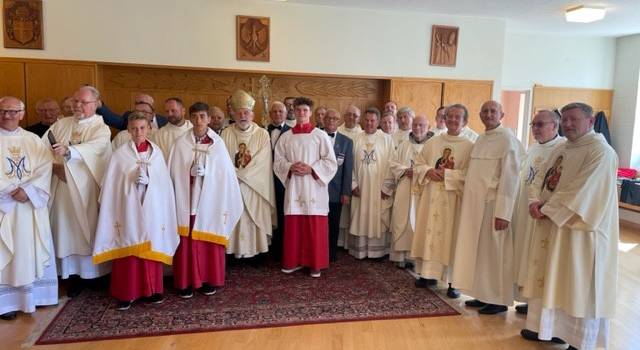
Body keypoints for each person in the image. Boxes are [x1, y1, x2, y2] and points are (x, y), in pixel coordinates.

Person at [522, 103, 618, 350]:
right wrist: (534, 201)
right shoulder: (562, 148)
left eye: (574, 119)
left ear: (590, 120)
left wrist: (546, 208)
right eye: (565, 120)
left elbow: (583, 191)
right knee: (555, 277)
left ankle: (580, 340)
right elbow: (541, 178)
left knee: (577, 283)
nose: (568, 124)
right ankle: (552, 329)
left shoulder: (601, 152)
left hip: (581, 232)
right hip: (553, 223)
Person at [93, 112, 179, 310]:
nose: (138, 132)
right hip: (127, 209)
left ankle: (152, 290)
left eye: (142, 128)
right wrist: (130, 184)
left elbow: (164, 185)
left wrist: (150, 183)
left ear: (149, 128)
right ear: (128, 130)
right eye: (134, 128)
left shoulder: (157, 153)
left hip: (152, 209)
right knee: (129, 249)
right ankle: (127, 293)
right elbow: (112, 185)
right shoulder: (120, 155)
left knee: (151, 248)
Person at [451, 100, 523, 315]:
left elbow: (511, 180)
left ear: (501, 115)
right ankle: (482, 294)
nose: (489, 114)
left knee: (495, 253)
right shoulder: (481, 139)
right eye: (485, 111)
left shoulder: (508, 140)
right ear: (480, 116)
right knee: (480, 252)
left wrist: (503, 213)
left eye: (493, 111)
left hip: (494, 206)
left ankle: (498, 299)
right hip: (475, 205)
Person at [168, 102, 243, 298]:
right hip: (186, 202)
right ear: (190, 119)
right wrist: (190, 174)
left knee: (207, 240)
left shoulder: (217, 145)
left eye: (202, 116)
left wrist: (207, 173)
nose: (198, 120)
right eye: (195, 117)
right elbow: (173, 174)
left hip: (209, 204)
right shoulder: (181, 144)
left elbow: (225, 177)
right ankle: (186, 282)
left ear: (209, 119)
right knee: (186, 243)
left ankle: (209, 279)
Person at [45, 86, 112, 297]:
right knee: (65, 229)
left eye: (83, 102)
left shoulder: (101, 128)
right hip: (62, 188)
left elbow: (97, 150)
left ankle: (94, 276)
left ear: (95, 104)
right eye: (75, 101)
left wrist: (69, 152)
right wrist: (55, 168)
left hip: (87, 190)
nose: (78, 106)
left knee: (88, 231)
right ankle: (72, 277)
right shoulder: (61, 124)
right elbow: (42, 149)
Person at [0, 96, 57, 321]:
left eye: (13, 112)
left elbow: (45, 169)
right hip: (5, 209)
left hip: (29, 208)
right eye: (3, 111)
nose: (7, 116)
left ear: (22, 114)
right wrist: (12, 190)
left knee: (29, 248)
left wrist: (28, 191)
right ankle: (7, 302)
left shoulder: (34, 140)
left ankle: (34, 297)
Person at [410, 104, 474, 299]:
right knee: (428, 234)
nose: (453, 120)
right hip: (431, 197)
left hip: (453, 200)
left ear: (465, 122)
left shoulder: (470, 146)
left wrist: (447, 174)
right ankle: (428, 274)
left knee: (451, 237)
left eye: (457, 117)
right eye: (450, 117)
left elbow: (470, 175)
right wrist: (429, 171)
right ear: (444, 119)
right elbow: (419, 163)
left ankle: (452, 281)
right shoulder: (433, 142)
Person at [274, 97, 337, 277]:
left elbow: (331, 162)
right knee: (295, 225)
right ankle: (293, 261)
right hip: (294, 186)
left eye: (305, 110)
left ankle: (315, 263)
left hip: (314, 186)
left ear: (310, 112)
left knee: (314, 226)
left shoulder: (320, 135)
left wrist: (312, 168)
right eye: (299, 110)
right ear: (294, 111)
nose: (302, 113)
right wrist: (289, 167)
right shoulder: (285, 137)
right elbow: (278, 161)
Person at [511, 110, 565, 315]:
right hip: (527, 209)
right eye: (533, 124)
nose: (535, 129)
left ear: (554, 126)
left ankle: (540, 303)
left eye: (540, 124)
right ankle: (529, 297)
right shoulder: (533, 148)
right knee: (526, 253)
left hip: (544, 213)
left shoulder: (561, 149)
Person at [221, 90, 276, 260]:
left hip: (255, 186)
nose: (242, 116)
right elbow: (223, 160)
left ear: (252, 114)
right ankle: (234, 252)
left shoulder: (262, 134)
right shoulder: (226, 133)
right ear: (234, 114)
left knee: (253, 216)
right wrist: (233, 177)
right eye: (239, 113)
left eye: (246, 113)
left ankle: (256, 253)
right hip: (233, 186)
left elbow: (262, 162)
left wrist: (240, 176)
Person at [349, 107, 395, 259]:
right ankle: (360, 251)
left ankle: (378, 252)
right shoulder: (356, 138)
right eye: (367, 120)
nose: (369, 123)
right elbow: (349, 164)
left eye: (373, 120)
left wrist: (386, 187)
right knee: (361, 214)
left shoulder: (387, 139)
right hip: (360, 188)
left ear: (378, 122)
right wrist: (353, 183)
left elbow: (392, 164)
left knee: (378, 216)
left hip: (378, 188)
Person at [388, 115, 431, 268]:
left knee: (420, 221)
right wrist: (405, 170)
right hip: (405, 187)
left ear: (428, 127)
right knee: (402, 219)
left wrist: (418, 172)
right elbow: (392, 164)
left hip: (423, 189)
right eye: (416, 125)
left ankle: (415, 258)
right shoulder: (404, 144)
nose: (418, 128)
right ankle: (400, 257)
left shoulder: (432, 146)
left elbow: (434, 169)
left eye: (422, 125)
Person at [323, 108, 353, 262]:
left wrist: (346, 192)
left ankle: (331, 253)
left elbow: (348, 169)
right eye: (328, 117)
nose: (331, 121)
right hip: (318, 189)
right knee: (319, 225)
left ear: (339, 121)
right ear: (323, 119)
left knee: (334, 224)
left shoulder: (347, 142)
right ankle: (318, 251)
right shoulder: (315, 136)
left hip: (336, 190)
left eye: (334, 118)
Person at [267, 101, 291, 261]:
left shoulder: (292, 132)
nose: (277, 114)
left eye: (280, 111)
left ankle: (281, 249)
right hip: (265, 179)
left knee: (283, 215)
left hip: (283, 180)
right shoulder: (261, 131)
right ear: (270, 114)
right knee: (268, 212)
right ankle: (267, 248)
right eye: (274, 112)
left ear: (286, 113)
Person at [151, 98, 193, 162]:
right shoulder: (159, 136)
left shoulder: (194, 129)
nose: (170, 114)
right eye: (167, 111)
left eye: (173, 111)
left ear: (183, 111)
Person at [97, 93, 168, 130]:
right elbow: (114, 120)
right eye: (136, 103)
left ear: (152, 105)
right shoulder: (129, 116)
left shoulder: (164, 121)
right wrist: (100, 106)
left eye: (141, 102)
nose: (138, 105)